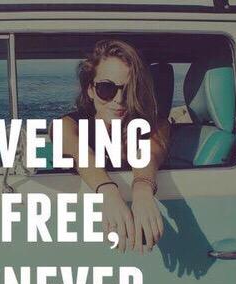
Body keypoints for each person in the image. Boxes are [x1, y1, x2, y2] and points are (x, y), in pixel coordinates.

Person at [60, 39, 169, 253]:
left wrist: (142, 189)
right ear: (90, 90)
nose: (119, 99)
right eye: (106, 88)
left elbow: (150, 152)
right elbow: (79, 152)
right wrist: (108, 192)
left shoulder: (156, 126)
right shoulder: (69, 125)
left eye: (129, 90)